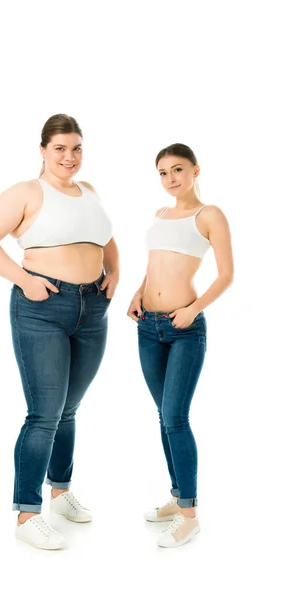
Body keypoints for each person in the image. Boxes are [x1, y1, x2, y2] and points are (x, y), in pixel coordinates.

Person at [0, 114, 119, 550]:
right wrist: (24, 279)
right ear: (42, 150)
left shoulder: (89, 192)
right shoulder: (26, 192)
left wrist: (115, 273)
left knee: (69, 410)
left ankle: (60, 491)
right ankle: (27, 513)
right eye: (60, 148)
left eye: (76, 148)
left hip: (92, 309)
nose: (69, 157)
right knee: (44, 413)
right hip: (42, 307)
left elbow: (107, 241)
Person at [127, 143, 233, 548]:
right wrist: (138, 293)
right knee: (163, 416)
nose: (170, 179)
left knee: (175, 418)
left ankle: (189, 515)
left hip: (184, 328)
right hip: (147, 327)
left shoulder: (210, 215)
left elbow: (226, 275)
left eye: (177, 170)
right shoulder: (160, 215)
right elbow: (154, 265)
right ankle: (177, 496)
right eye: (163, 172)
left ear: (195, 170)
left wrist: (194, 309)